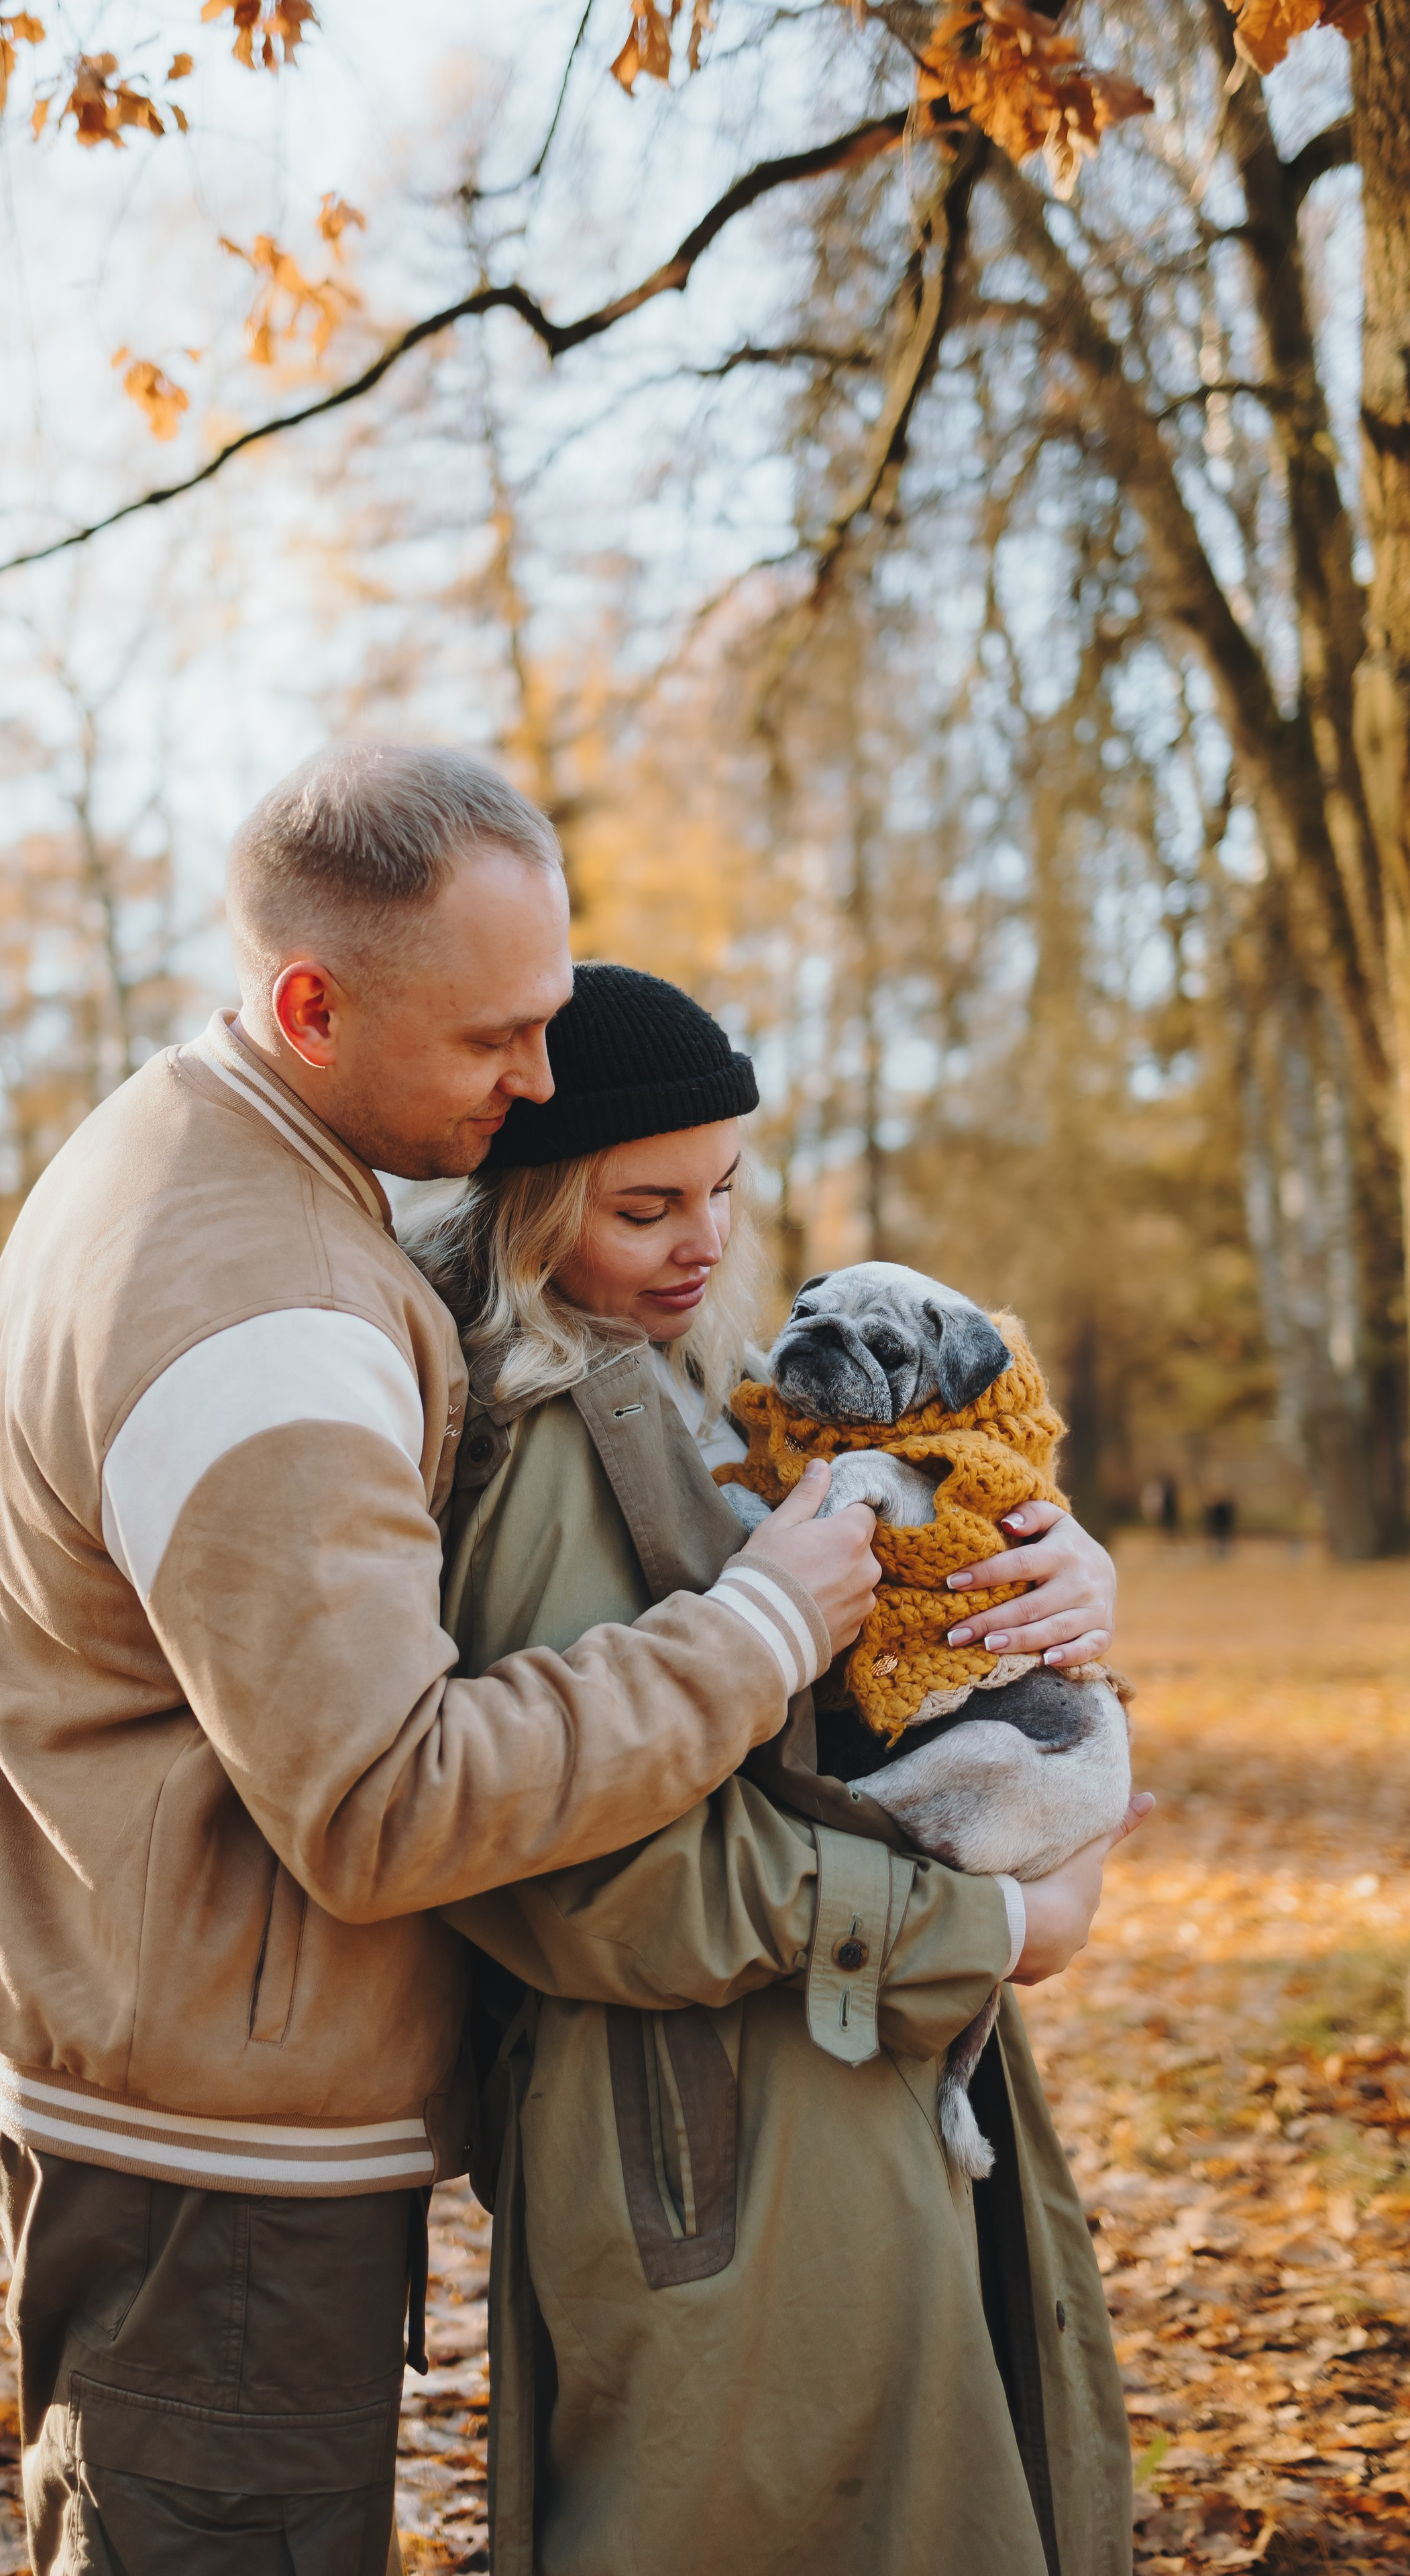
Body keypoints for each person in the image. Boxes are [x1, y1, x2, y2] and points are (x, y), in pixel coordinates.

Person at [0, 748, 900, 2576]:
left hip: (145, 2057)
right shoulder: (264, 1306)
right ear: (309, 1005)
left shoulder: (191, 1147)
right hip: (208, 2148)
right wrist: (762, 1631)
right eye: (492, 1041)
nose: (542, 1080)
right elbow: (384, 1802)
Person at [406, 961, 1144, 2576]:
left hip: (812, 2067)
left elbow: (882, 1654)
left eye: (727, 1188)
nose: (708, 1242)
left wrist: (1055, 1579)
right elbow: (576, 1871)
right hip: (705, 2128)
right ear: (529, 1211)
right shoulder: (538, 1442)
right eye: (646, 1206)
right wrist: (990, 1934)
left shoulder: (686, 1403)